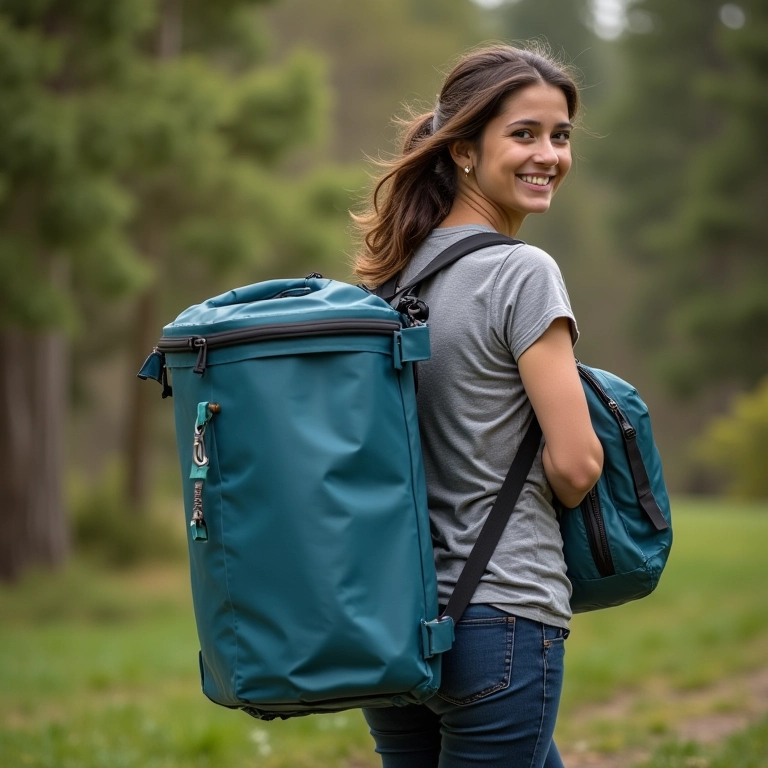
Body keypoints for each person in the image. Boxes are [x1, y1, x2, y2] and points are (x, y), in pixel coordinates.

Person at [352, 44, 604, 768]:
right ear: (463, 149)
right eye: (523, 134)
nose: (549, 154)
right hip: (502, 618)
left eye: (560, 136)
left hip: (398, 621)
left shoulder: (391, 285)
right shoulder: (522, 272)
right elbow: (577, 462)